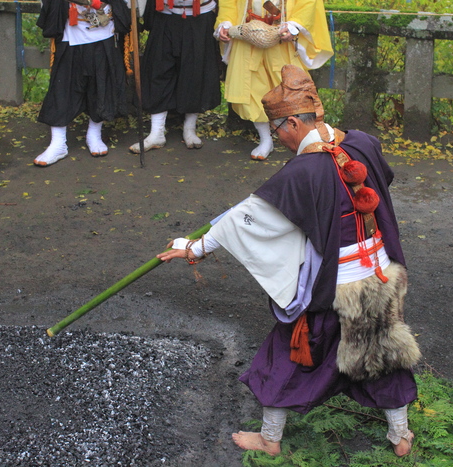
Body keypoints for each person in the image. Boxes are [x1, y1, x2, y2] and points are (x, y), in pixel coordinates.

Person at [157, 65, 420, 457]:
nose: (278, 137)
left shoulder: (303, 171)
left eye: (278, 128)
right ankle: (400, 437)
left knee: (286, 355)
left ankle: (269, 439)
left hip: (337, 287)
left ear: (294, 122)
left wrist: (195, 247)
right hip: (380, 277)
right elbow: (380, 178)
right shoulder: (362, 143)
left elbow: (249, 219)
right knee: (382, 355)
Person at [214, 0, 333, 160]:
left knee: (294, 91)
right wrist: (226, 24)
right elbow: (230, 3)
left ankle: (305, 139)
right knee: (253, 93)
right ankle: (266, 140)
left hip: (281, 38)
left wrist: (294, 25)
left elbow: (308, 3)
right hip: (248, 38)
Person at [35, 0, 131, 167]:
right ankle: (58, 143)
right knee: (62, 87)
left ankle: (94, 134)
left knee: (100, 85)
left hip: (104, 30)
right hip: (72, 31)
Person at [128, 0, 222, 154]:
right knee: (158, 70)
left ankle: (190, 129)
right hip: (165, 15)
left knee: (195, 72)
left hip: (199, 15)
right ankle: (156, 132)